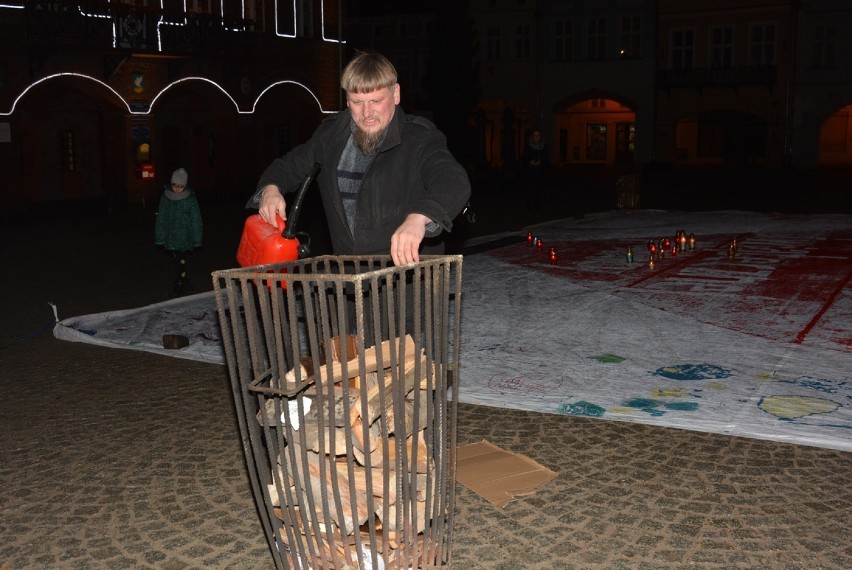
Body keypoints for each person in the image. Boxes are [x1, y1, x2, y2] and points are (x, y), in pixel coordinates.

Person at [248, 50, 471, 267]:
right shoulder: (330, 136)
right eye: (357, 102)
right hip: (350, 282)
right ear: (347, 100)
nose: (366, 113)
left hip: (408, 280)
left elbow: (453, 181)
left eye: (375, 101)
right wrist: (271, 188)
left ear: (395, 95)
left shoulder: (420, 138)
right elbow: (288, 166)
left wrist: (420, 217)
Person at [155, 167, 203, 297]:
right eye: (175, 185)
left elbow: (196, 218)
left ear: (185, 185)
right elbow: (161, 217)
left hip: (185, 236)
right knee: (178, 261)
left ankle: (180, 284)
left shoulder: (190, 198)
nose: (177, 188)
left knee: (181, 261)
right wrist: (159, 237)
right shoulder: (166, 197)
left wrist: (197, 238)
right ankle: (185, 280)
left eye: (181, 186)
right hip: (171, 236)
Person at [521, 129, 549, 211]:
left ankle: (538, 208)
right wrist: (530, 162)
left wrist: (541, 163)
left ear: (541, 137)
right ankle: (529, 207)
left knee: (539, 191)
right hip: (530, 174)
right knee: (530, 191)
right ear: (532, 137)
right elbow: (524, 159)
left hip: (540, 173)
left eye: (538, 135)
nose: (536, 137)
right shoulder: (529, 147)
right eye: (535, 135)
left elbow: (547, 159)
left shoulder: (544, 147)